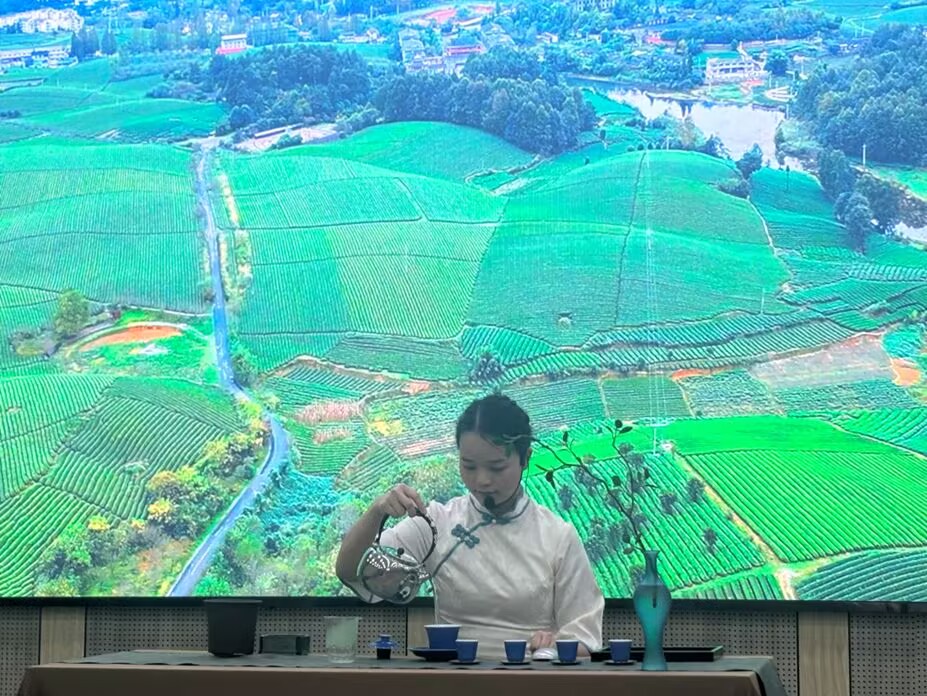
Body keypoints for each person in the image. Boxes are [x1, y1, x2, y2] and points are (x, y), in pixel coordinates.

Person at [335, 393, 604, 659]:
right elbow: (351, 571)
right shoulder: (437, 522)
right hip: (455, 679)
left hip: (528, 678)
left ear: (525, 458)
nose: (482, 480)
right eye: (469, 466)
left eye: (496, 467)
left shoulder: (557, 536)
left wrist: (553, 643)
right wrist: (377, 511)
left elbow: (586, 637)